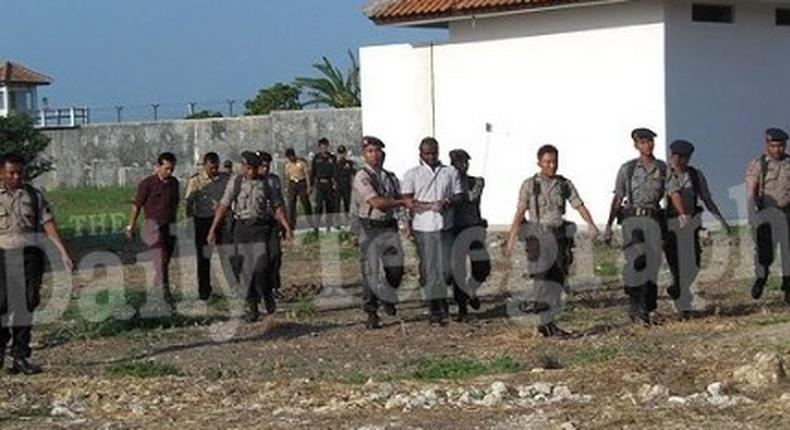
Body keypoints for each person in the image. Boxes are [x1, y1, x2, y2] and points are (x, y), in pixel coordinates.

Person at [505, 145, 599, 337]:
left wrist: (591, 223)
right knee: (542, 280)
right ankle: (544, 322)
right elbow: (520, 211)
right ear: (539, 162)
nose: (552, 165)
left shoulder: (564, 184)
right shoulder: (530, 184)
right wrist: (511, 238)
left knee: (557, 280)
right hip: (538, 237)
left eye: (554, 161)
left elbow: (578, 205)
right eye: (547, 162)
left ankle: (549, 322)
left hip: (559, 236)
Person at [0, 153, 74, 374]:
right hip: (2, 255)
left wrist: (63, 253)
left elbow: (48, 223)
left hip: (29, 256)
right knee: (1, 305)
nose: (15, 177)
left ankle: (20, 356)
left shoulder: (33, 195)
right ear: (1, 173)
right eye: (11, 172)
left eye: (19, 172)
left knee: (26, 304)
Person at [207, 151, 292, 322]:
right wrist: (213, 229)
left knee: (261, 267)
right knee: (245, 271)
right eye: (248, 168)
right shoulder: (236, 182)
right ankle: (252, 307)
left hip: (260, 228)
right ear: (243, 166)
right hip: (241, 229)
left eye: (254, 168)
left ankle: (267, 292)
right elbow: (223, 205)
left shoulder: (267, 183)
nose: (252, 172)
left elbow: (277, 206)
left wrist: (287, 227)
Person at [603, 128, 668, 326]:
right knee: (637, 262)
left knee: (653, 264)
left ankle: (649, 308)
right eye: (642, 142)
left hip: (654, 219)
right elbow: (618, 198)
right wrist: (608, 225)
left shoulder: (663, 169)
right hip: (632, 221)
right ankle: (636, 307)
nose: (646, 146)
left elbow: (672, 194)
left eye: (649, 142)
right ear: (636, 145)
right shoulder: (628, 169)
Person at [663, 140, 731, 316]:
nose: (678, 160)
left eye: (683, 157)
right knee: (676, 264)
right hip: (670, 224)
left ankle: (678, 287)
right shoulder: (663, 174)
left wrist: (722, 220)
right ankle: (683, 305)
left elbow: (707, 199)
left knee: (693, 264)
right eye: (676, 156)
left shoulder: (694, 175)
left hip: (691, 224)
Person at [402, 137, 464, 326]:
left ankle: (442, 298)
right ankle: (434, 309)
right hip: (424, 227)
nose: (431, 156)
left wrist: (446, 203)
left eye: (434, 153)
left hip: (445, 226)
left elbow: (459, 195)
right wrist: (422, 207)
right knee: (431, 270)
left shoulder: (449, 172)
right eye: (427, 153)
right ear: (420, 154)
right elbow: (406, 199)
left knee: (446, 268)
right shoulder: (412, 174)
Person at [353, 136, 406, 329]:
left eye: (378, 151)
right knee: (371, 271)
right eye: (370, 151)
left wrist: (404, 223)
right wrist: (401, 202)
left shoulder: (390, 177)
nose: (375, 155)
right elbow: (377, 203)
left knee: (396, 269)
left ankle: (388, 294)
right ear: (364, 154)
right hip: (371, 227)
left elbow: (400, 202)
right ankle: (371, 311)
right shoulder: (362, 177)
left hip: (389, 226)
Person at [125, 152, 180, 313]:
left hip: (169, 227)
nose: (169, 172)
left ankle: (156, 297)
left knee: (163, 264)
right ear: (158, 167)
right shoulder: (147, 184)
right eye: (167, 169)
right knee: (160, 261)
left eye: (172, 169)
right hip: (152, 228)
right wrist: (131, 226)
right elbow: (136, 206)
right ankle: (166, 296)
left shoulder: (174, 183)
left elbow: (175, 204)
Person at [746, 128, 790, 303]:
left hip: (787, 214)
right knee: (765, 255)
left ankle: (788, 289)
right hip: (767, 214)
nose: (778, 149)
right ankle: (761, 279)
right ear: (767, 145)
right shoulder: (759, 163)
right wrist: (751, 215)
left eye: (781, 145)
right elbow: (750, 190)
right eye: (774, 145)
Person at [448, 149, 489, 322]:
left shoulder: (476, 181)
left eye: (465, 162)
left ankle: (472, 288)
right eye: (459, 163)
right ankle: (462, 306)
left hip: (474, 228)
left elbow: (472, 197)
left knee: (482, 267)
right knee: (458, 270)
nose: (463, 166)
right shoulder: (447, 183)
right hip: (455, 229)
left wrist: (456, 194)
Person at [185, 152, 229, 300]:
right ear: (204, 165)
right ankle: (204, 291)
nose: (214, 171)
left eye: (216, 167)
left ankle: (232, 287)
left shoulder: (224, 179)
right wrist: (190, 221)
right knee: (204, 258)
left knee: (226, 254)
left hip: (221, 221)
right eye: (211, 168)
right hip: (202, 221)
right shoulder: (196, 181)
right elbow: (189, 203)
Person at [259, 151, 285, 304]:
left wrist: (284, 224)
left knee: (275, 256)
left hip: (273, 222)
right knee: (261, 260)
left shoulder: (274, 180)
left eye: (267, 166)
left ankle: (274, 287)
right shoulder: (251, 181)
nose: (265, 169)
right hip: (257, 224)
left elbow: (280, 202)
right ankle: (261, 290)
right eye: (262, 166)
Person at [283, 148, 313, 231]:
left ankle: (310, 222)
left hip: (301, 183)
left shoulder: (301, 163)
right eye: (288, 157)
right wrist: (286, 187)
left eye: (291, 157)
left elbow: (306, 174)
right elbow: (287, 177)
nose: (290, 159)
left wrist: (309, 186)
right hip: (293, 184)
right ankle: (291, 224)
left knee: (305, 202)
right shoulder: (287, 165)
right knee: (291, 204)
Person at [311, 138, 337, 232]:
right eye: (322, 147)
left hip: (329, 184)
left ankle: (329, 227)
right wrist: (311, 185)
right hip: (319, 185)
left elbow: (335, 172)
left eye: (325, 147)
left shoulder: (332, 158)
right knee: (318, 207)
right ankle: (316, 227)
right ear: (319, 147)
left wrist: (335, 183)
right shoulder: (316, 158)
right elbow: (313, 172)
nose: (324, 149)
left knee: (330, 206)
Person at [335, 145, 356, 219]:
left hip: (347, 185)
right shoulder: (335, 163)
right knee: (336, 205)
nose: (342, 155)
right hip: (338, 186)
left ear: (345, 153)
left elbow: (355, 174)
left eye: (343, 153)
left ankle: (348, 220)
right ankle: (337, 222)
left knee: (347, 204)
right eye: (340, 153)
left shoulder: (349, 163)